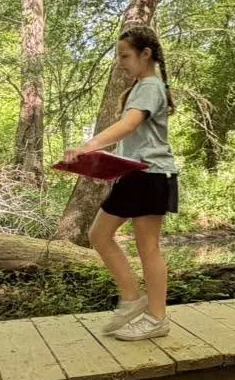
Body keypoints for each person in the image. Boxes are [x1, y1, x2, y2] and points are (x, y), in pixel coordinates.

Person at [64, 27, 179, 341]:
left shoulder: (151, 85)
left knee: (148, 247)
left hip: (152, 174)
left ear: (146, 54)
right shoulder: (142, 86)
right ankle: (131, 298)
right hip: (135, 174)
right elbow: (134, 138)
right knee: (99, 235)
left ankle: (157, 318)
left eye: (125, 56)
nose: (121, 62)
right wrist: (102, 162)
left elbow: (129, 125)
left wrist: (89, 146)